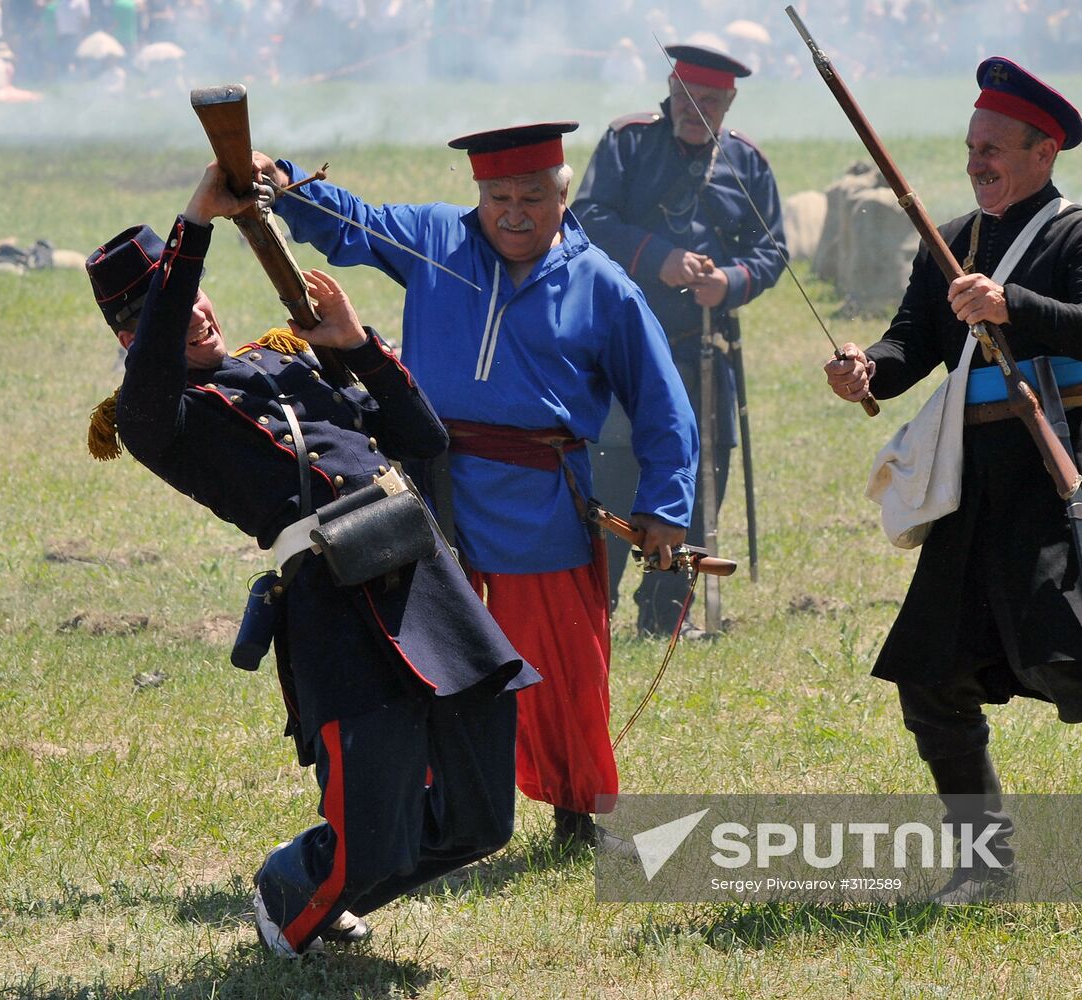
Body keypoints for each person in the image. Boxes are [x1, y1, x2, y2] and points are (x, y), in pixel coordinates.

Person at [85, 163, 539, 957]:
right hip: (336, 606)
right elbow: (159, 348)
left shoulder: (284, 359)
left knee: (479, 822)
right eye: (165, 307)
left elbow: (422, 440)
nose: (193, 310)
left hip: (426, 583)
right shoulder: (154, 415)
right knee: (369, 831)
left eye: (194, 292)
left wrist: (355, 346)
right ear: (133, 336)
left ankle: (335, 889)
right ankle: (296, 886)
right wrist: (194, 221)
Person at [824, 56, 1082, 903]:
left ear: (1042, 152)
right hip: (973, 481)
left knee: (1075, 660)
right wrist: (867, 368)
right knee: (929, 673)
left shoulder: (1080, 234)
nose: (977, 163)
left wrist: (1013, 306)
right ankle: (984, 863)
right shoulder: (951, 242)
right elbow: (911, 345)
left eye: (994, 148)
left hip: (1056, 468)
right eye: (971, 147)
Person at [253, 122, 698, 846]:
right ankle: (423, 808)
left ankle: (575, 806)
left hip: (537, 495)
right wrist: (282, 180)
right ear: (478, 194)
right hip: (424, 481)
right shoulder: (434, 238)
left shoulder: (602, 285)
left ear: (563, 195)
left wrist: (664, 508)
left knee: (560, 662)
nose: (512, 212)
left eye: (531, 196)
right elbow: (352, 223)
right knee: (423, 651)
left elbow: (660, 402)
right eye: (497, 196)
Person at [572, 43, 786, 635]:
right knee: (613, 469)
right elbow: (586, 219)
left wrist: (731, 282)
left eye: (712, 102)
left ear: (730, 101)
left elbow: (771, 251)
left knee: (698, 473)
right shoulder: (628, 142)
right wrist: (656, 258)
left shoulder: (745, 161)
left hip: (703, 346)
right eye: (689, 99)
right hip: (621, 345)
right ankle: (593, 604)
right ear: (671, 89)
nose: (699, 111)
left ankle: (667, 614)